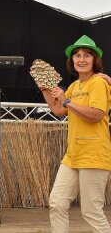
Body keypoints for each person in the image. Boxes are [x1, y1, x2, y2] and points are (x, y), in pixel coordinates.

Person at [39, 35, 111, 233]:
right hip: (73, 155)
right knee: (57, 203)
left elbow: (96, 115)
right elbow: (58, 110)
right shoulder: (74, 86)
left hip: (94, 154)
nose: (81, 59)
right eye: (77, 55)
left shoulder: (98, 83)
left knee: (91, 211)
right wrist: (45, 88)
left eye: (87, 55)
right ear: (72, 61)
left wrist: (67, 101)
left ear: (94, 60)